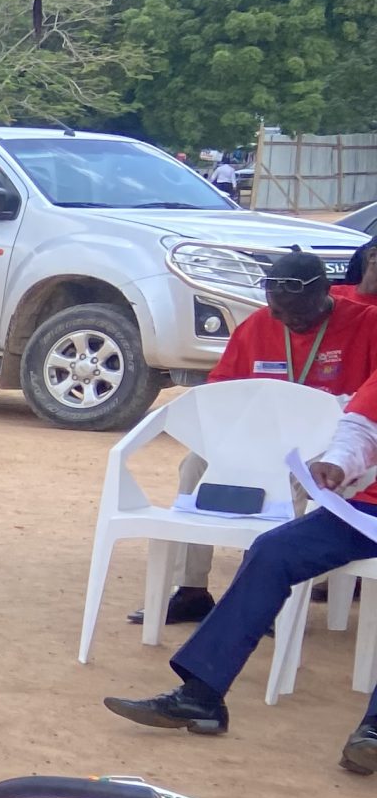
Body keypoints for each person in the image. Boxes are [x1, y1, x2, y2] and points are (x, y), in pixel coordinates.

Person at [103, 368, 377, 772]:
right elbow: (363, 426)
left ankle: (372, 732)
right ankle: (202, 695)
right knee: (273, 551)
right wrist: (337, 463)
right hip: (366, 513)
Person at [149, 248, 377, 625]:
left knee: (298, 482)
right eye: (276, 309)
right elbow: (220, 388)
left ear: (325, 293)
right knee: (195, 466)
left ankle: (268, 600)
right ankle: (190, 590)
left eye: (295, 311)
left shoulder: (367, 323)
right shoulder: (258, 324)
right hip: (259, 438)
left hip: (328, 445)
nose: (282, 319)